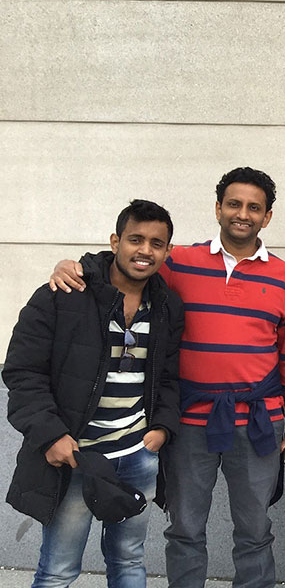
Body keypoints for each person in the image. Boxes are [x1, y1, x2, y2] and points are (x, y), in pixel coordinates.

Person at [49, 167, 285, 588]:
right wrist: (75, 265)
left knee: (255, 530)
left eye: (254, 207)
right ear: (218, 208)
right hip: (189, 421)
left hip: (260, 422)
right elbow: (127, 268)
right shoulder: (179, 262)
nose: (243, 214)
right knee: (185, 528)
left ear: (267, 216)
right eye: (234, 204)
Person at [7, 200, 184, 588]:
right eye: (135, 239)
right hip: (76, 456)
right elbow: (22, 372)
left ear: (167, 251)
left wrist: (162, 429)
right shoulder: (63, 293)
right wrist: (51, 435)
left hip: (138, 454)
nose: (145, 251)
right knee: (58, 570)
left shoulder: (167, 306)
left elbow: (170, 378)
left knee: (129, 562)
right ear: (115, 241)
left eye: (157, 243)